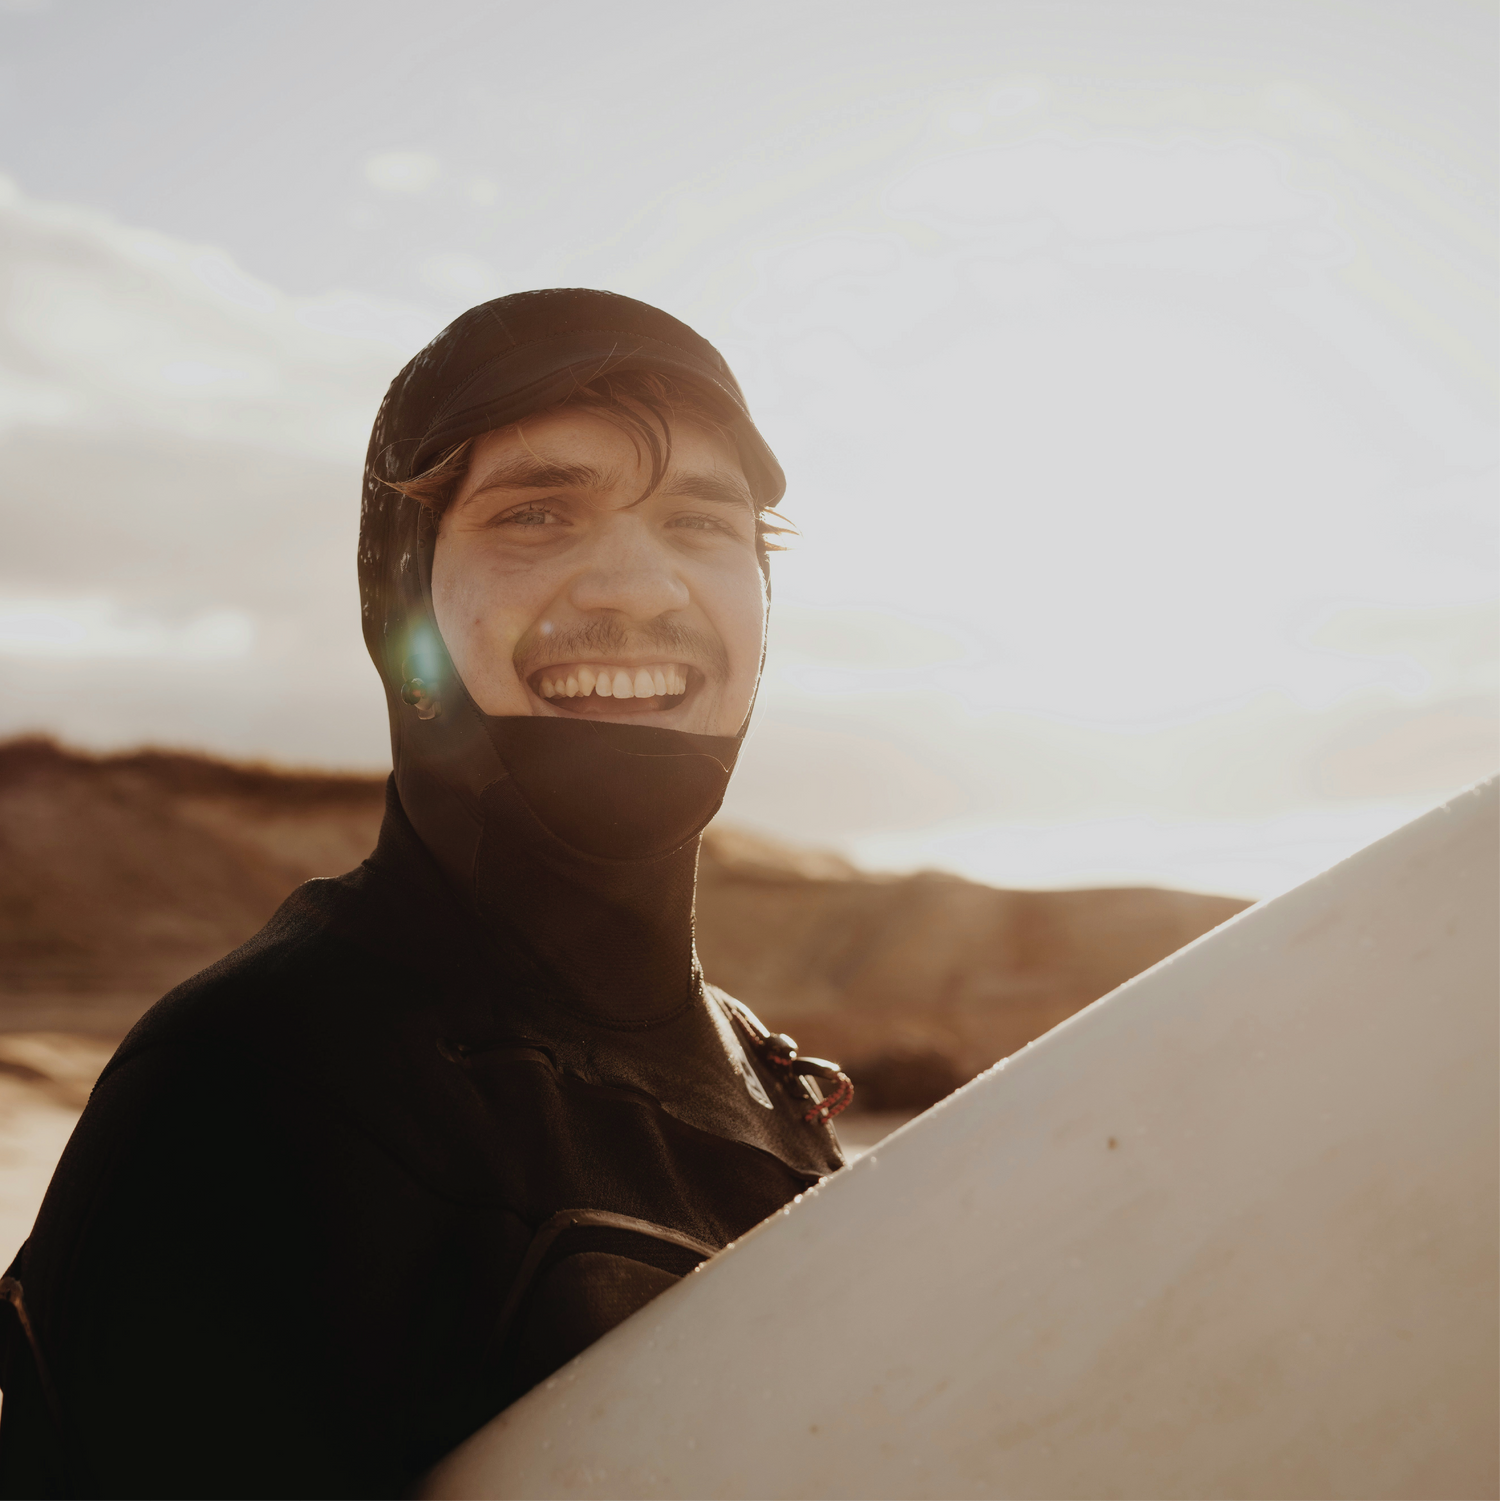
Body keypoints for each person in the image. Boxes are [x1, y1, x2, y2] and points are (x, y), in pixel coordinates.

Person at [0, 289, 851, 1498]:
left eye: (702, 523)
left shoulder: (769, 1087)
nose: (636, 586)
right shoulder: (264, 1085)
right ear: (400, 598)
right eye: (538, 513)